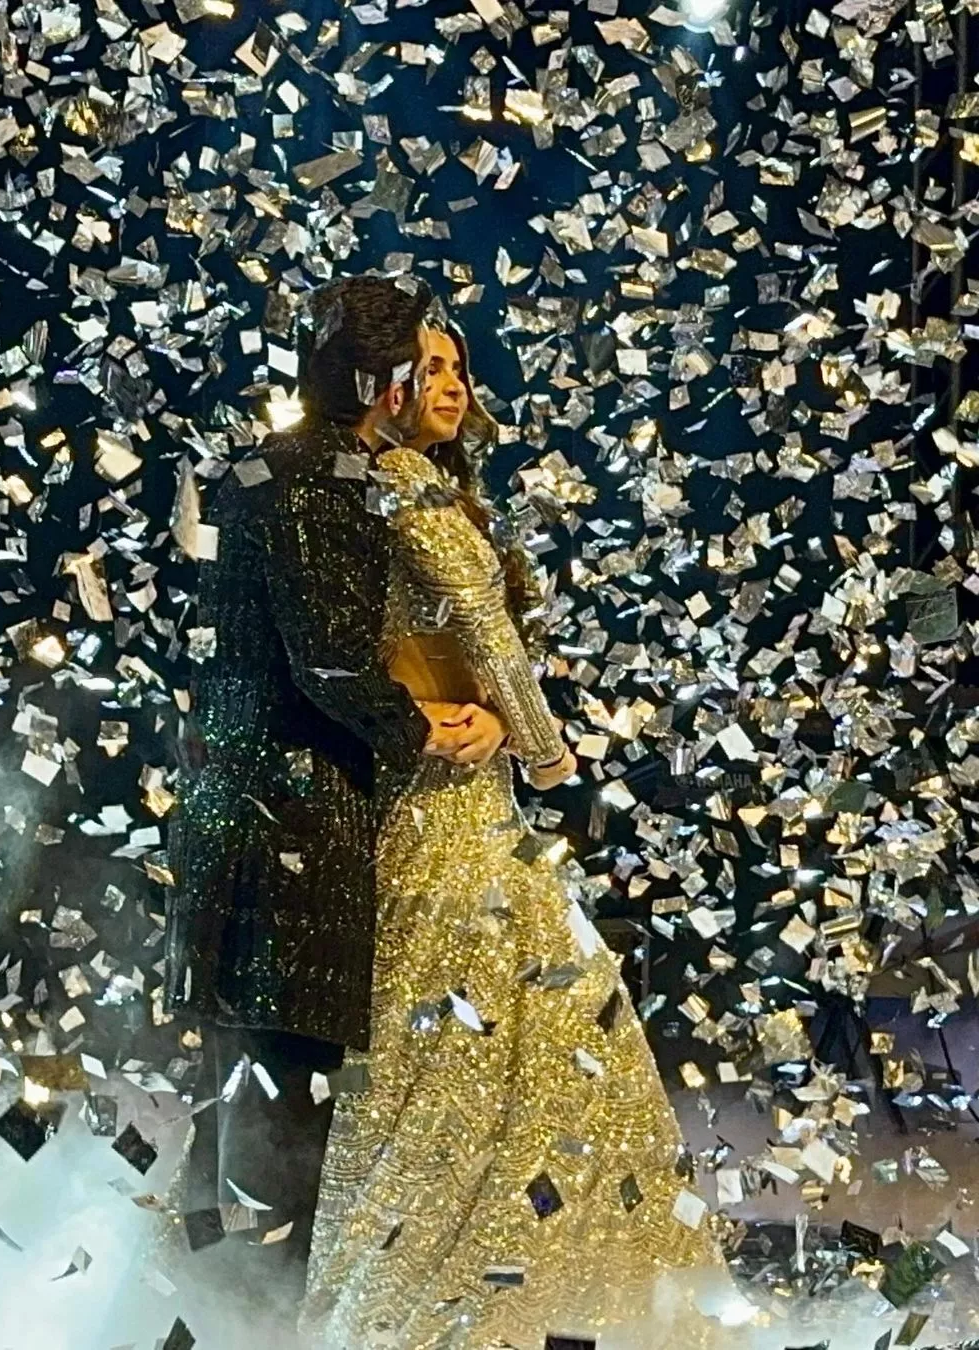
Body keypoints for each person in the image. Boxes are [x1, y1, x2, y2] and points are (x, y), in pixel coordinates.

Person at [296, 323, 758, 1349]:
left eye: (459, 367)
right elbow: (485, 633)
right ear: (382, 384)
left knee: (526, 1048)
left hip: (456, 796)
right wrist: (545, 751)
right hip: (439, 809)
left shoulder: (391, 486)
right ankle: (446, 1312)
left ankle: (523, 1301)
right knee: (468, 1059)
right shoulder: (401, 485)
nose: (451, 384)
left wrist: (501, 734)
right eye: (429, 368)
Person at [163, 274, 513, 1313]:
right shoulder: (324, 479)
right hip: (295, 831)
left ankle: (200, 1310)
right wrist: (431, 729)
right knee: (287, 1118)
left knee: (243, 1100)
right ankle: (257, 1321)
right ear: (386, 381)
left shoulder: (264, 467)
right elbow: (330, 661)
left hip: (238, 815)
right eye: (421, 366)